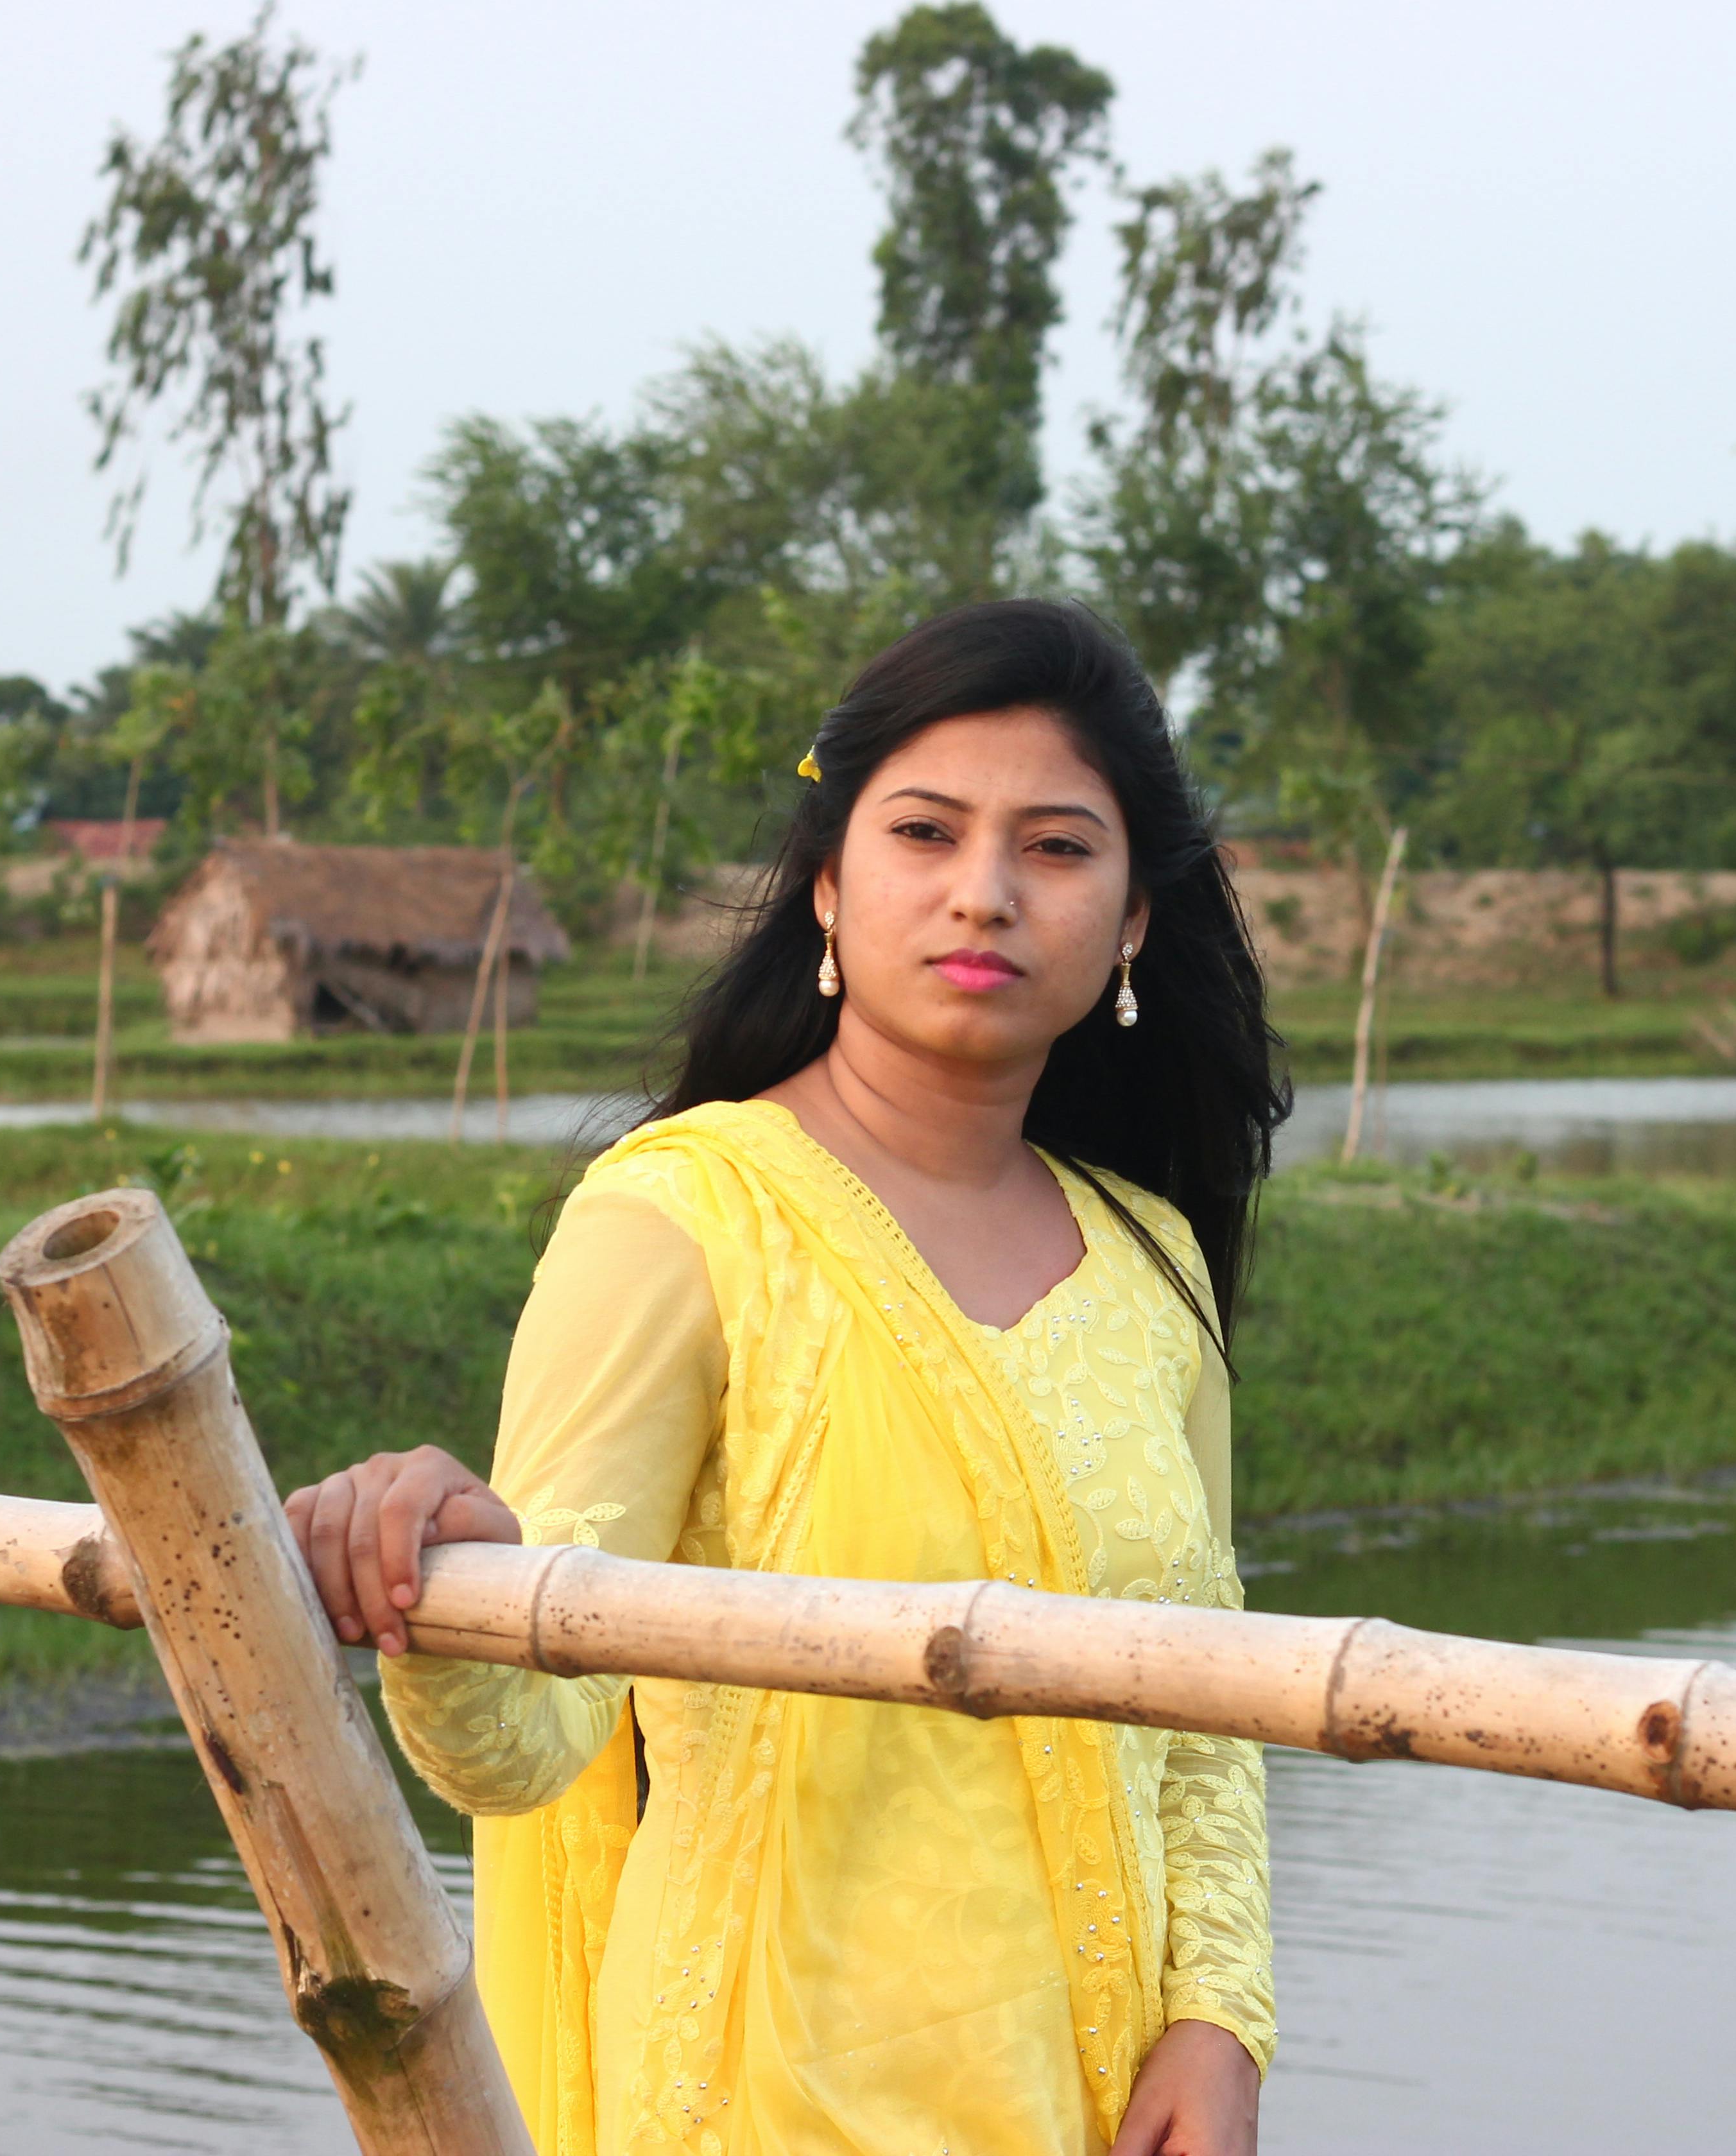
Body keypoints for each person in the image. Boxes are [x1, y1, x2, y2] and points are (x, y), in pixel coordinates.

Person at [287, 599, 1291, 2155]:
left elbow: (1205, 1708)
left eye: (1058, 849)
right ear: (829, 886)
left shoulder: (1148, 1264)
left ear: (1137, 921)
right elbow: (530, 1744)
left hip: (1097, 2102)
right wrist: (444, 1577)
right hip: (767, 2096)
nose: (985, 895)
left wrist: (1220, 2027)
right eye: (926, 833)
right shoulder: (682, 1219)